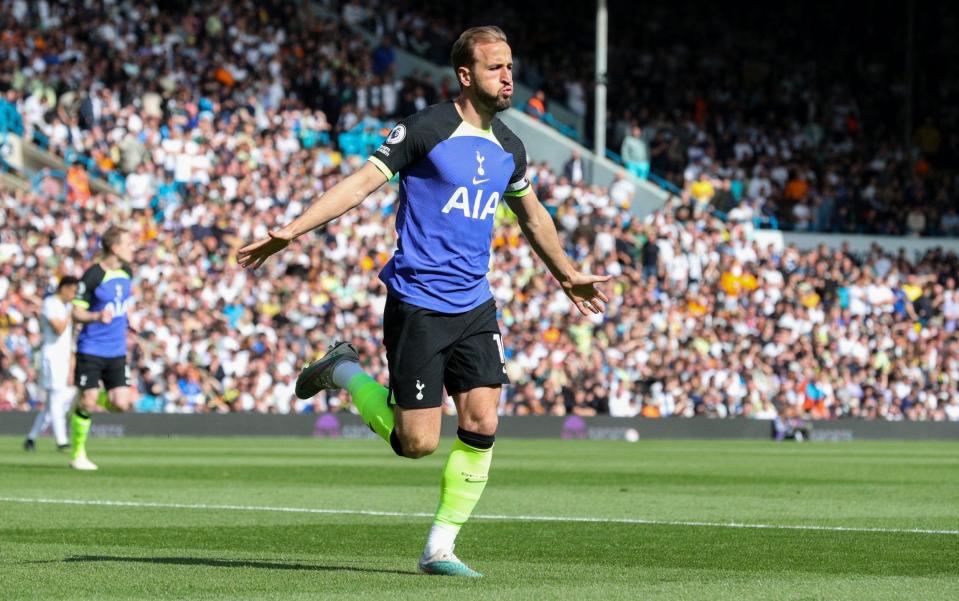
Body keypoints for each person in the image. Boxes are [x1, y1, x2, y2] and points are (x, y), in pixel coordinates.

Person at [238, 25, 611, 577]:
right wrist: (290, 230)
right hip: (419, 302)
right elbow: (362, 182)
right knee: (416, 443)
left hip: (475, 304)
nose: (508, 77)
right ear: (466, 75)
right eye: (495, 67)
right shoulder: (424, 129)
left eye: (510, 66)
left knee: (483, 421)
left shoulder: (510, 145)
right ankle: (341, 371)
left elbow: (533, 216)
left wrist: (568, 274)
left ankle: (439, 548)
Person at [69, 225, 136, 470]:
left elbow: (122, 304)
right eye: (129, 244)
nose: (133, 249)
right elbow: (76, 313)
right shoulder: (93, 276)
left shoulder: (127, 272)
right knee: (88, 402)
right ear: (115, 248)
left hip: (116, 350)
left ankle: (86, 398)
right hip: (92, 348)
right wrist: (96, 317)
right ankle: (77, 454)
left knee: (121, 404)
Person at [24, 276, 80, 452]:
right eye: (72, 291)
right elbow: (59, 328)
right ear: (63, 288)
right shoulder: (50, 303)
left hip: (62, 357)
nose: (73, 295)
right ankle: (62, 440)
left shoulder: (66, 306)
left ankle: (31, 438)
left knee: (51, 402)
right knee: (56, 398)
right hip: (51, 357)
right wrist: (70, 313)